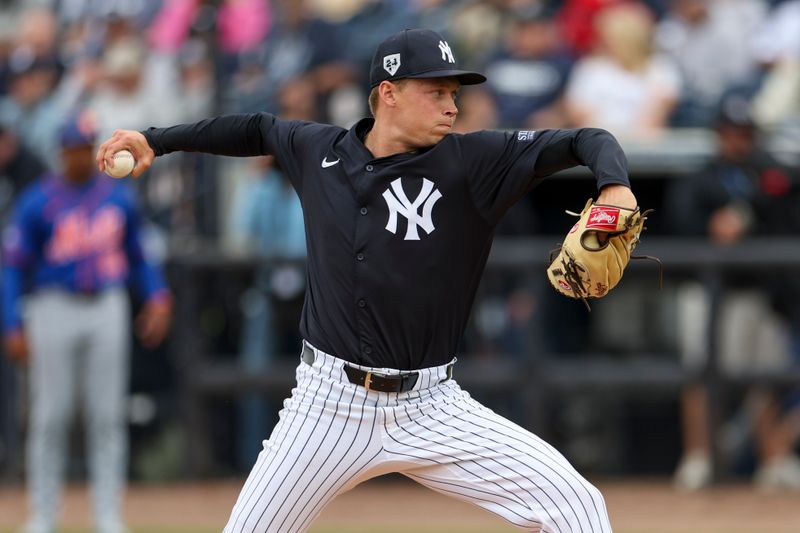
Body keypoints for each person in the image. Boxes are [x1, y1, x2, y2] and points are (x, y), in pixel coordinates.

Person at [98, 28, 638, 532]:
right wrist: (156, 140)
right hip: (327, 405)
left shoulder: (474, 162)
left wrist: (614, 186)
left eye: (456, 93)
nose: (452, 105)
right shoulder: (319, 151)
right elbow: (255, 129)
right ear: (389, 93)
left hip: (433, 405)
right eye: (436, 92)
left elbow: (586, 138)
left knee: (577, 505)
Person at [2, 111, 173, 533]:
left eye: (83, 147)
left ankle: (108, 515)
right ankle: (42, 515)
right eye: (72, 148)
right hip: (52, 305)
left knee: (107, 415)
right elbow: (12, 266)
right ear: (62, 151)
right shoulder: (38, 200)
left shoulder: (117, 197)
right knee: (50, 415)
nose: (78, 155)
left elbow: (140, 254)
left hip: (106, 305)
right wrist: (12, 323)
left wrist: (157, 296)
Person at [666, 96, 800, 491]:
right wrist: (717, 224)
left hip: (760, 292)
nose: (738, 141)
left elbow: (783, 204)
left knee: (766, 375)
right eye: (731, 133)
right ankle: (699, 457)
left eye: (745, 134)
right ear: (718, 135)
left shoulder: (767, 173)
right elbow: (685, 225)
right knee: (702, 374)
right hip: (710, 291)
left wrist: (748, 212)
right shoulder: (699, 179)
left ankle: (773, 460)